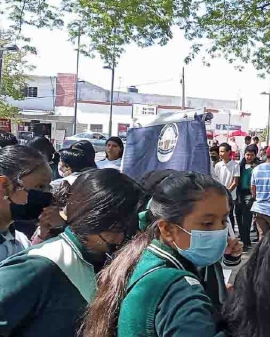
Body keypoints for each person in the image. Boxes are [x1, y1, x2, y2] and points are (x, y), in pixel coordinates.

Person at [81, 171, 238, 337]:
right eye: (207, 223)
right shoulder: (180, 292)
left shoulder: (139, 258)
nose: (219, 231)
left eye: (223, 221)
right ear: (168, 229)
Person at [0, 169, 144, 337]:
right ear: (94, 218)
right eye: (118, 227)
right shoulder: (41, 265)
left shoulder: (101, 262)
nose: (122, 238)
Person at [0, 145, 52, 261]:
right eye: (40, 186)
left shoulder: (20, 240)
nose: (47, 195)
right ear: (4, 185)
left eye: (49, 187)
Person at [212, 143, 240, 232]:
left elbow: (235, 182)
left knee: (229, 215)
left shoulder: (235, 165)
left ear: (229, 152)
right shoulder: (218, 165)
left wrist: (227, 191)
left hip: (230, 195)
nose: (220, 153)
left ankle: (231, 234)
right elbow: (215, 179)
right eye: (220, 151)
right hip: (219, 194)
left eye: (223, 151)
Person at [237, 145, 259, 251]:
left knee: (247, 219)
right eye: (247, 154)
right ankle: (242, 238)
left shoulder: (257, 167)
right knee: (239, 218)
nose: (249, 157)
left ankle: (246, 241)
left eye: (251, 155)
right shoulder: (240, 165)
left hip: (250, 195)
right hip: (239, 194)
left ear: (255, 155)